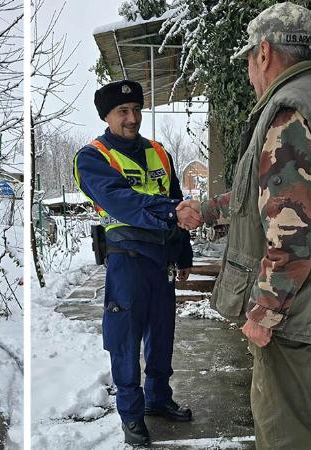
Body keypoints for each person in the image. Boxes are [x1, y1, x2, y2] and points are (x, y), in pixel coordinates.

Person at [177, 3, 311, 446]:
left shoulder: (288, 111)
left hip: (298, 325)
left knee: (286, 432)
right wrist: (210, 210)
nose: (250, 77)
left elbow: (293, 229)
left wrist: (263, 313)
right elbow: (269, 189)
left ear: (265, 53)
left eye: (250, 62)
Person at [73, 80, 197, 446]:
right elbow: (123, 201)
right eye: (122, 112)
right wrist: (173, 212)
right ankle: (131, 414)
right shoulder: (91, 158)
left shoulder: (160, 152)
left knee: (162, 336)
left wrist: (183, 252)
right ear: (107, 117)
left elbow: (175, 199)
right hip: (126, 262)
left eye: (136, 110)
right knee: (125, 342)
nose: (132, 118)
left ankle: (158, 400)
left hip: (161, 262)